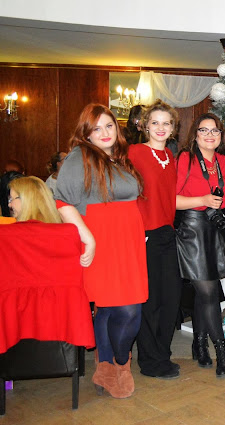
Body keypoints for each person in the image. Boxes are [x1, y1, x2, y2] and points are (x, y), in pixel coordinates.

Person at [55, 103, 147, 399]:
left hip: (129, 242)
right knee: (125, 309)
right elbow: (62, 202)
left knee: (114, 308)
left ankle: (110, 364)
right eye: (97, 128)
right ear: (87, 133)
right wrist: (89, 239)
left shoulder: (119, 157)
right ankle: (116, 363)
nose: (105, 133)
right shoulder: (80, 156)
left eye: (109, 126)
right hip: (101, 240)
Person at [175, 112, 225, 377]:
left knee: (204, 291)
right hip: (192, 228)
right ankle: (221, 349)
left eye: (215, 131)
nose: (210, 135)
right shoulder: (184, 159)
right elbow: (170, 199)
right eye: (204, 130)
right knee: (208, 291)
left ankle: (199, 343)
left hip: (214, 229)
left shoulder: (223, 161)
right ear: (195, 135)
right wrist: (202, 200)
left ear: (221, 136)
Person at [128, 99, 182, 379]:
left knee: (171, 299)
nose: (160, 128)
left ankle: (162, 353)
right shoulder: (135, 152)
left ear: (173, 129)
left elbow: (170, 198)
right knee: (150, 302)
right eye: (155, 122)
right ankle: (150, 361)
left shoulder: (170, 157)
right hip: (145, 234)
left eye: (166, 123)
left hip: (167, 233)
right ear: (145, 126)